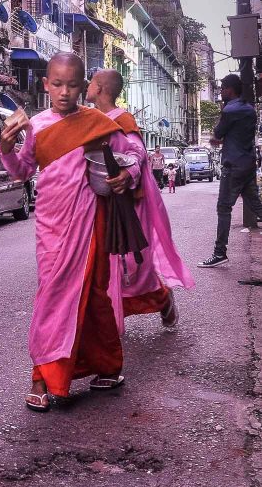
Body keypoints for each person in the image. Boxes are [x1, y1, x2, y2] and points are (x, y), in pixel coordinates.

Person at [0, 53, 141, 412]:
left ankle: (103, 366)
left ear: (84, 87)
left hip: (89, 221)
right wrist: (5, 147)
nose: (64, 92)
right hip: (50, 224)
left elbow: (135, 153)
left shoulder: (95, 122)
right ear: (46, 84)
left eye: (73, 85)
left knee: (93, 294)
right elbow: (21, 171)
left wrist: (129, 173)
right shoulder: (37, 125)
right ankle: (44, 374)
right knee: (51, 294)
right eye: (57, 84)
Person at [85, 69, 192, 329]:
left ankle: (163, 299)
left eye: (91, 82)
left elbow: (136, 152)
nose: (86, 86)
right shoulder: (89, 118)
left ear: (100, 88)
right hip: (97, 202)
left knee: (133, 266)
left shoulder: (122, 119)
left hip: (125, 201)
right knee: (100, 265)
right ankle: (107, 328)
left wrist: (126, 172)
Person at [200, 74, 262, 267]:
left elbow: (217, 136)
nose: (221, 91)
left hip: (233, 166)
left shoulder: (229, 109)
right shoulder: (250, 109)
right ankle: (219, 252)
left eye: (223, 88)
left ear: (230, 89)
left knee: (224, 208)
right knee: (257, 205)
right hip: (248, 164)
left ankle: (220, 253)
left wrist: (217, 138)